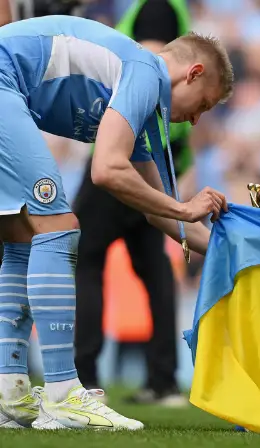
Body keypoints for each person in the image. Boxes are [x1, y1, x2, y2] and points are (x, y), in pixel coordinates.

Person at [0, 15, 232, 430]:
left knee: (20, 236)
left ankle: (9, 391)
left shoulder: (141, 106)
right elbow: (106, 170)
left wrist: (235, 251)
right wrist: (183, 209)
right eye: (204, 104)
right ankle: (63, 393)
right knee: (59, 225)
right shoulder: (145, 71)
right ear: (192, 74)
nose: (197, 120)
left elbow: (157, 210)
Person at [73, 0, 193, 407]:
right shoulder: (174, 10)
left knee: (84, 259)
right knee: (154, 268)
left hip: (131, 151)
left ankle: (83, 378)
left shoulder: (154, 7)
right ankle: (163, 380)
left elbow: (147, 74)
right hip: (152, 155)